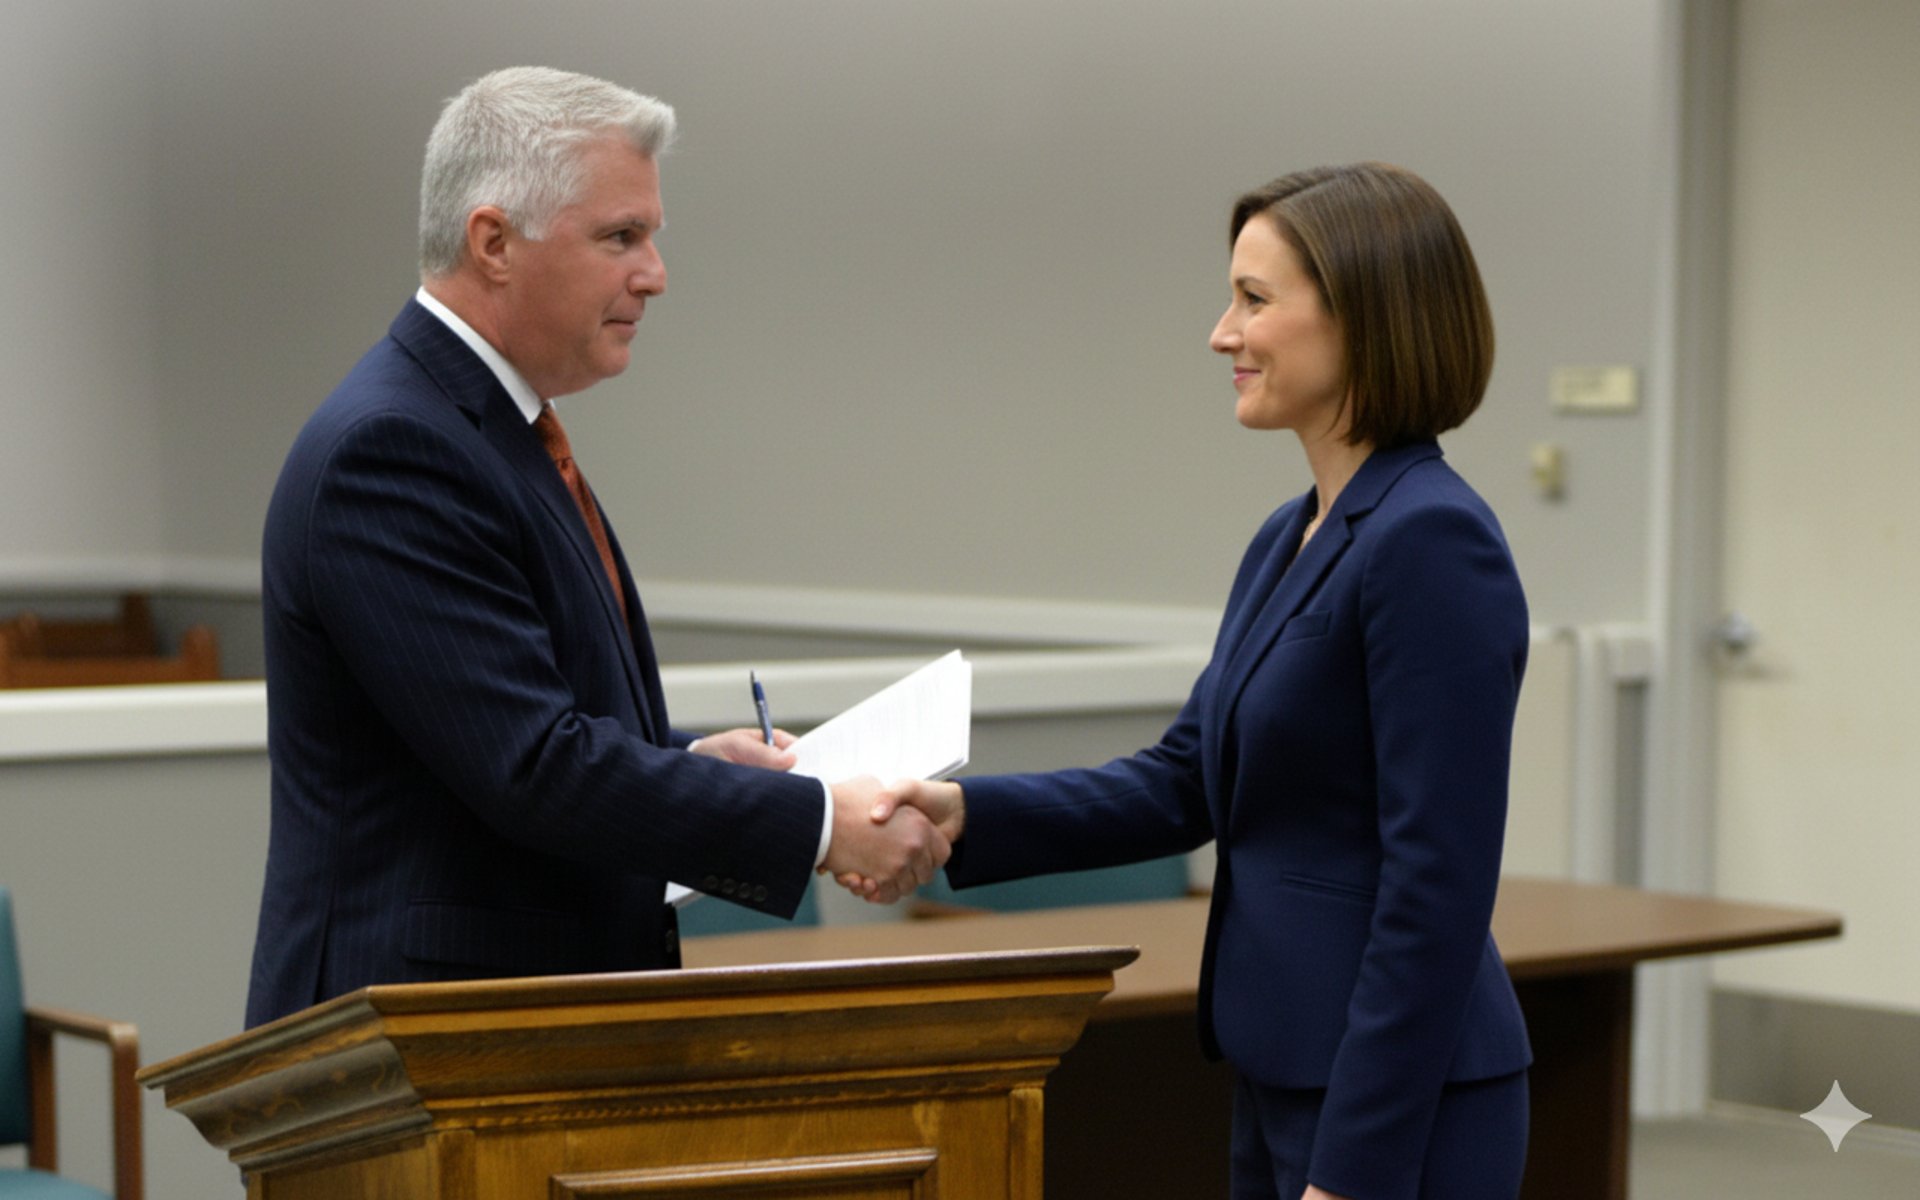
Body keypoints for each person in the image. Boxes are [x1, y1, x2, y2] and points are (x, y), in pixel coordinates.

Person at [863, 163, 1532, 1200]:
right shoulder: (1289, 536)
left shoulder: (1430, 539)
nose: (1223, 334)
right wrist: (964, 815)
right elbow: (1186, 780)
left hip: (1392, 1105)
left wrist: (1356, 1168)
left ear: (1362, 318)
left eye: (1254, 300)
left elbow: (1436, 887)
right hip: (1285, 1066)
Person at [245, 67, 947, 1029]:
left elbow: (517, 722)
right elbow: (533, 768)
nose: (654, 273)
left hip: (501, 1029)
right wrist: (823, 825)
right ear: (494, 243)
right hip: (413, 1044)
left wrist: (698, 764)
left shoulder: (490, 427)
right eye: (621, 237)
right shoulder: (394, 448)